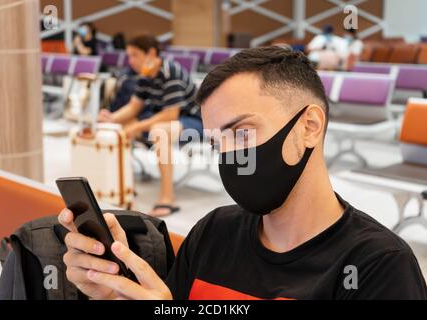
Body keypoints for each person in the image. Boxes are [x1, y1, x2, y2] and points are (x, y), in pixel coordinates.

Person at [58, 47, 427, 300]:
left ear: (310, 126)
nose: (231, 155)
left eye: (242, 132)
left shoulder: (378, 267)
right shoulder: (213, 232)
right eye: (218, 142)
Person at [98, 34, 202, 217]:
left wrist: (136, 127)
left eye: (135, 55)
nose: (130, 61)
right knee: (121, 127)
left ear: (151, 53)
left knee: (158, 130)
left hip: (196, 122)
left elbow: (171, 114)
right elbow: (133, 107)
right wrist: (112, 118)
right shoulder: (145, 75)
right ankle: (123, 186)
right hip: (170, 121)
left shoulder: (170, 72)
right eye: (129, 56)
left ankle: (167, 198)